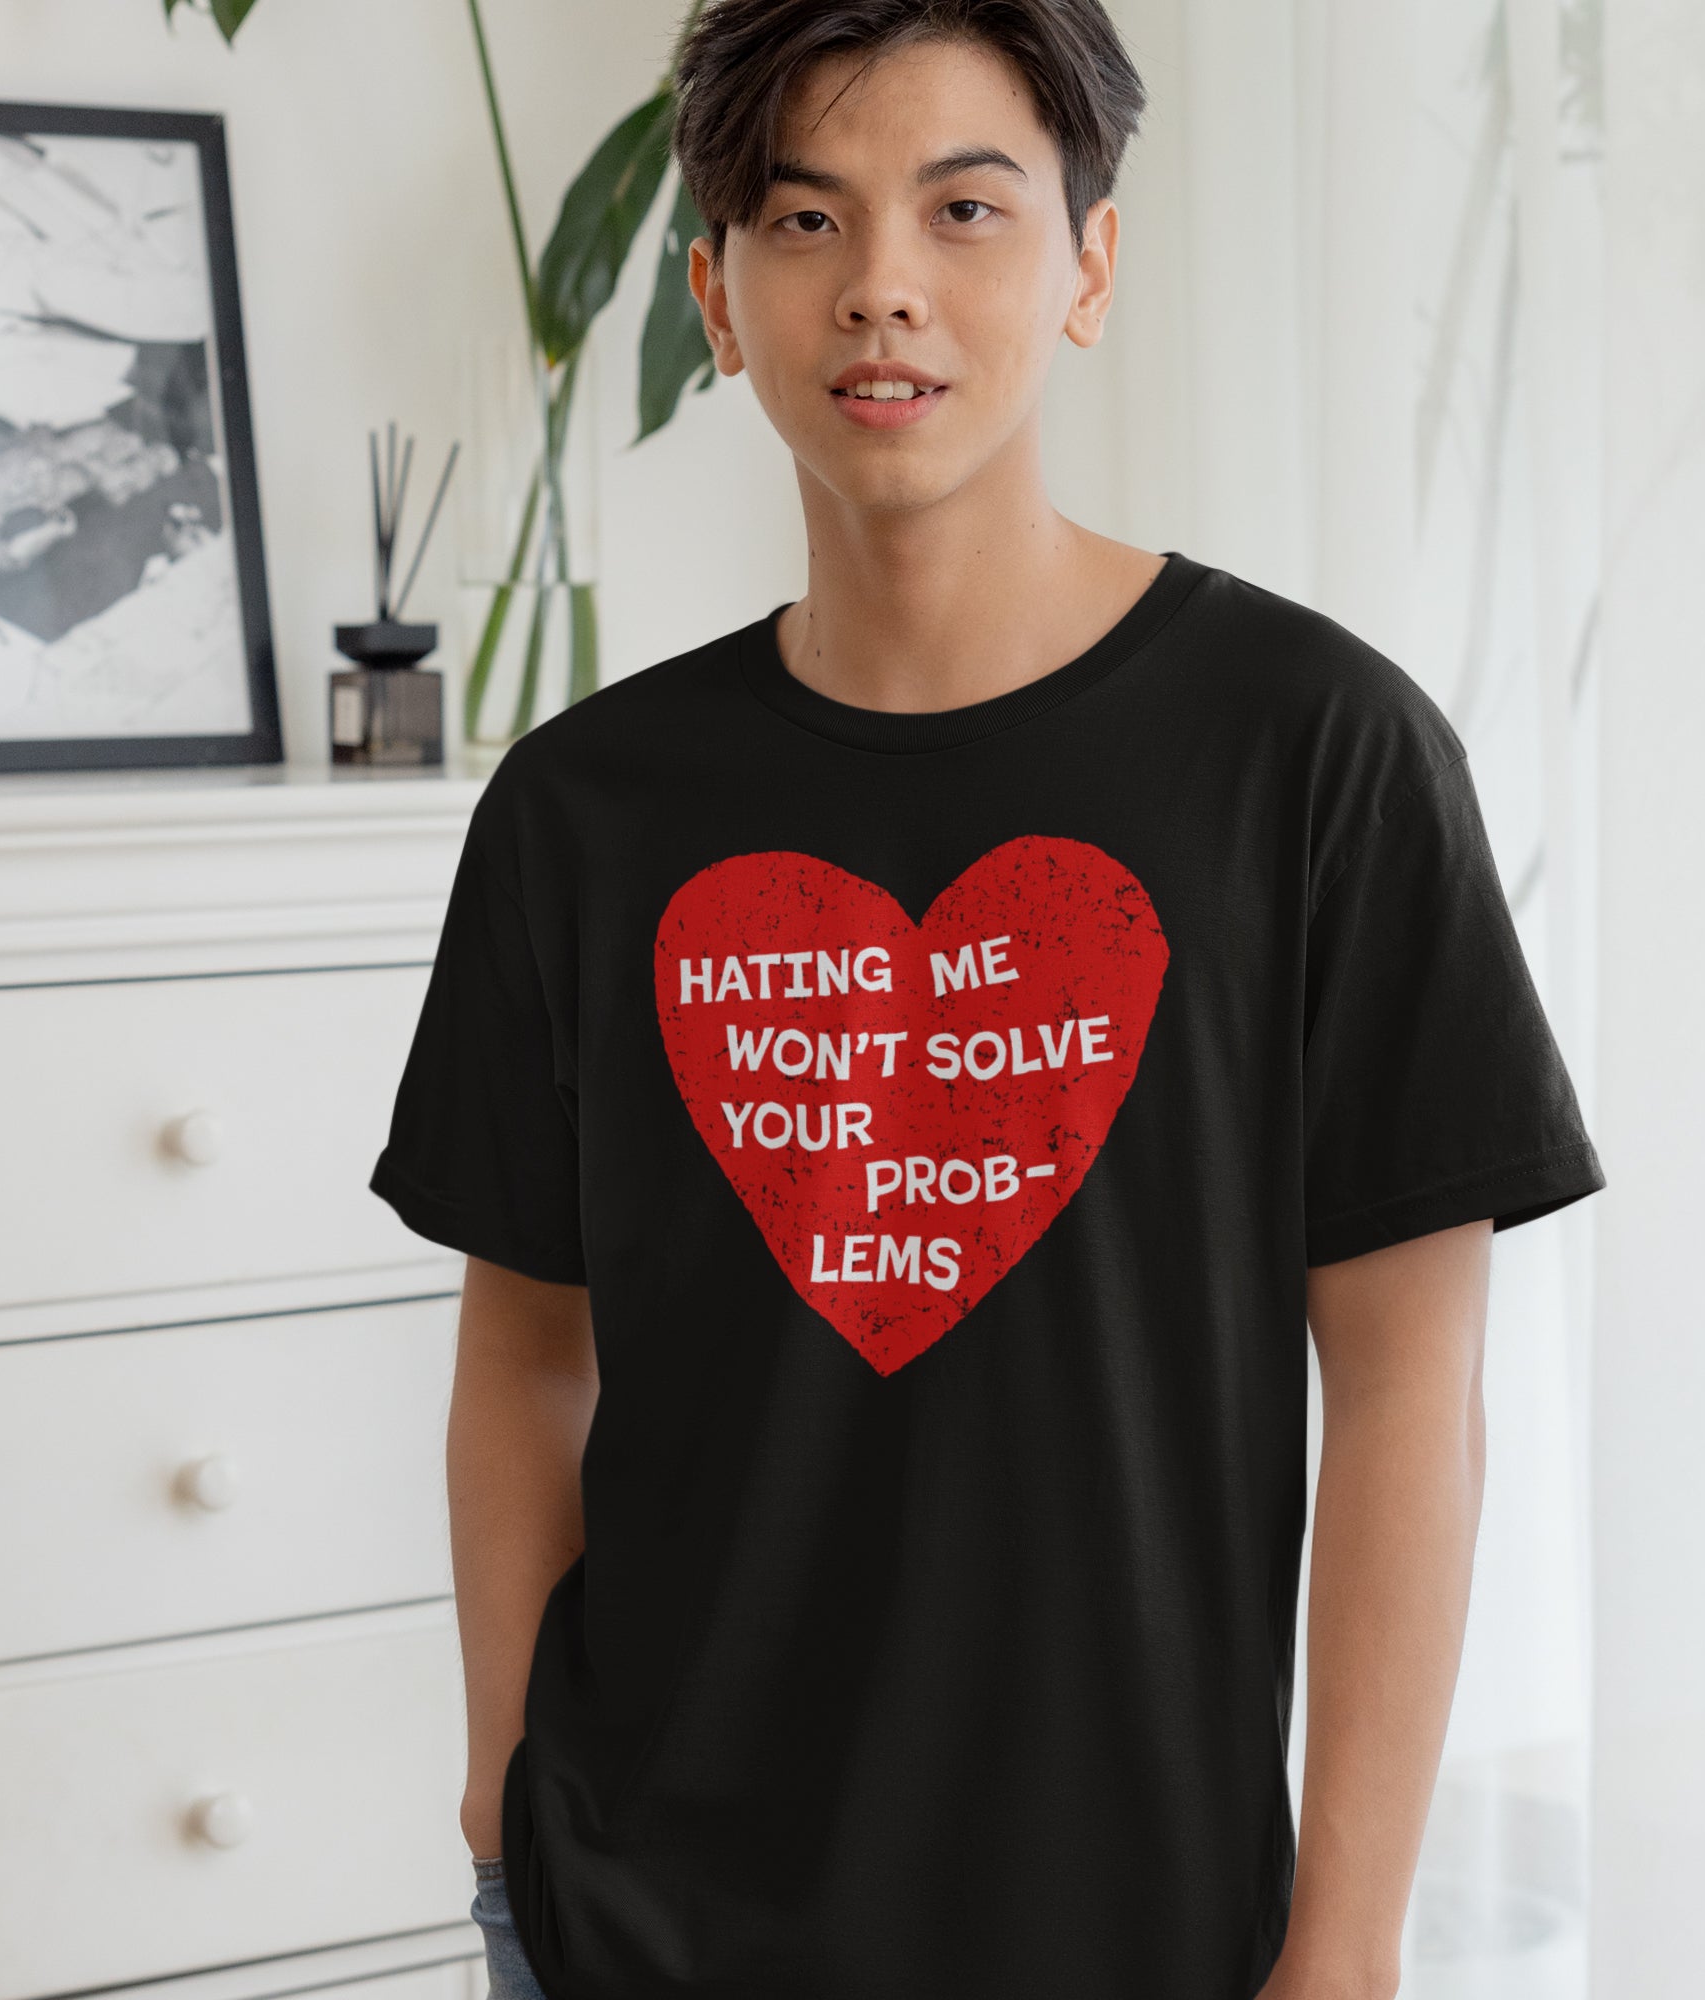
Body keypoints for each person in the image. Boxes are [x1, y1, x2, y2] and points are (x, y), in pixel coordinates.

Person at [369, 1, 1607, 1995]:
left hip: (1141, 1926)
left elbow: (1402, 1387)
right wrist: (504, 1786)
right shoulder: (582, 811)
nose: (881, 291)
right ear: (710, 291)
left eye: (964, 210)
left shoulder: (1318, 757)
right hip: (635, 1918)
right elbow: (524, 1347)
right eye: (800, 221)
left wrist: (1348, 1938)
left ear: (1088, 264)